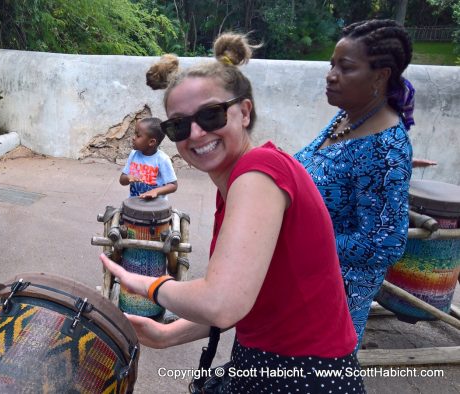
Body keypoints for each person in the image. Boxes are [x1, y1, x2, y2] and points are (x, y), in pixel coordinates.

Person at [101, 33, 365, 392]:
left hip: (304, 374)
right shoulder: (241, 182)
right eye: (178, 125)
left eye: (210, 115)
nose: (195, 133)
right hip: (272, 360)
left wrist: (147, 284)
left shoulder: (259, 171)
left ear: (244, 112)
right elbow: (242, 298)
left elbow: (221, 303)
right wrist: (166, 335)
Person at [294, 19, 415, 349]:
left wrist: (300, 240)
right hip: (302, 284)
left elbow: (383, 243)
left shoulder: (384, 147)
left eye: (346, 67)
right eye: (332, 64)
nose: (331, 74)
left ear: (380, 75)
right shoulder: (348, 118)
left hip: (333, 301)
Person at [120, 117, 178, 199]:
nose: (133, 138)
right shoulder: (134, 154)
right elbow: (122, 180)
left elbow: (173, 185)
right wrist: (128, 178)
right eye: (134, 134)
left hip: (155, 207)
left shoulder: (162, 159)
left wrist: (156, 191)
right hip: (135, 203)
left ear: (151, 142)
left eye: (138, 136)